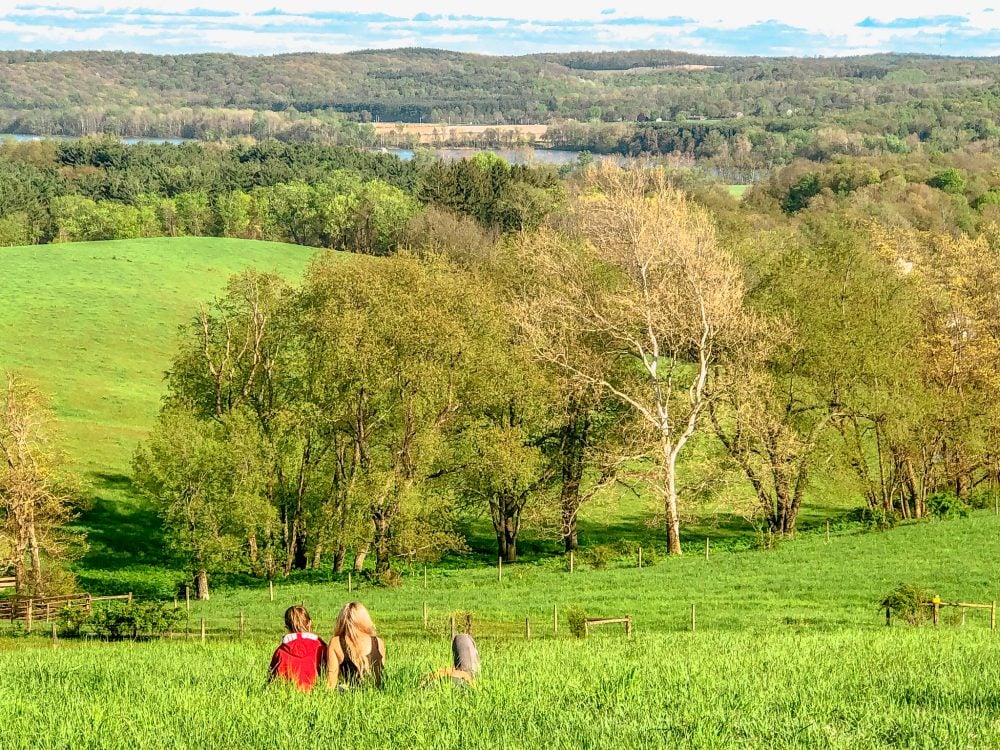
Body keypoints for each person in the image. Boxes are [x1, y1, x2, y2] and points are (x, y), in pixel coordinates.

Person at [268, 605, 328, 691]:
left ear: (287, 628)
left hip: (287, 695)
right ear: (310, 623)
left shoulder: (280, 651)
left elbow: (271, 681)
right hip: (317, 694)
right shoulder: (321, 648)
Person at [327, 601, 385, 689]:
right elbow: (380, 674)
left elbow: (331, 683)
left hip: (350, 695)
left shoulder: (336, 643)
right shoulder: (378, 642)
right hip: (379, 695)